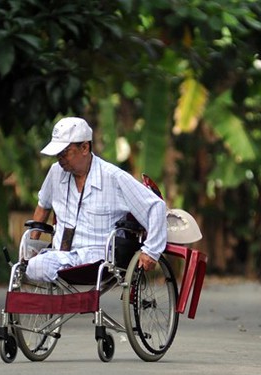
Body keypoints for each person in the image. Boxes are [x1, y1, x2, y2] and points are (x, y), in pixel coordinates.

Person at [25, 117, 167, 283]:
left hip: (99, 260)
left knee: (44, 266)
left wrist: (151, 250)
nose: (59, 158)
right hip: (63, 256)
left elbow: (155, 206)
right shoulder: (56, 172)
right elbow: (43, 206)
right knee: (33, 267)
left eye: (64, 152)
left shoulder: (113, 177)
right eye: (57, 154)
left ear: (85, 147)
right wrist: (31, 245)